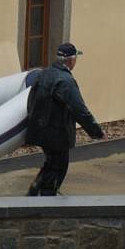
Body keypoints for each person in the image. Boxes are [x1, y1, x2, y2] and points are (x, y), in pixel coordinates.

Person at [26, 42, 104, 196]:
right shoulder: (66, 81)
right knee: (58, 167)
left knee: (50, 163)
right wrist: (96, 132)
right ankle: (47, 199)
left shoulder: (45, 73)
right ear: (70, 60)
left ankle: (35, 191)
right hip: (56, 133)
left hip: (40, 130)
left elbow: (31, 99)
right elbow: (79, 110)